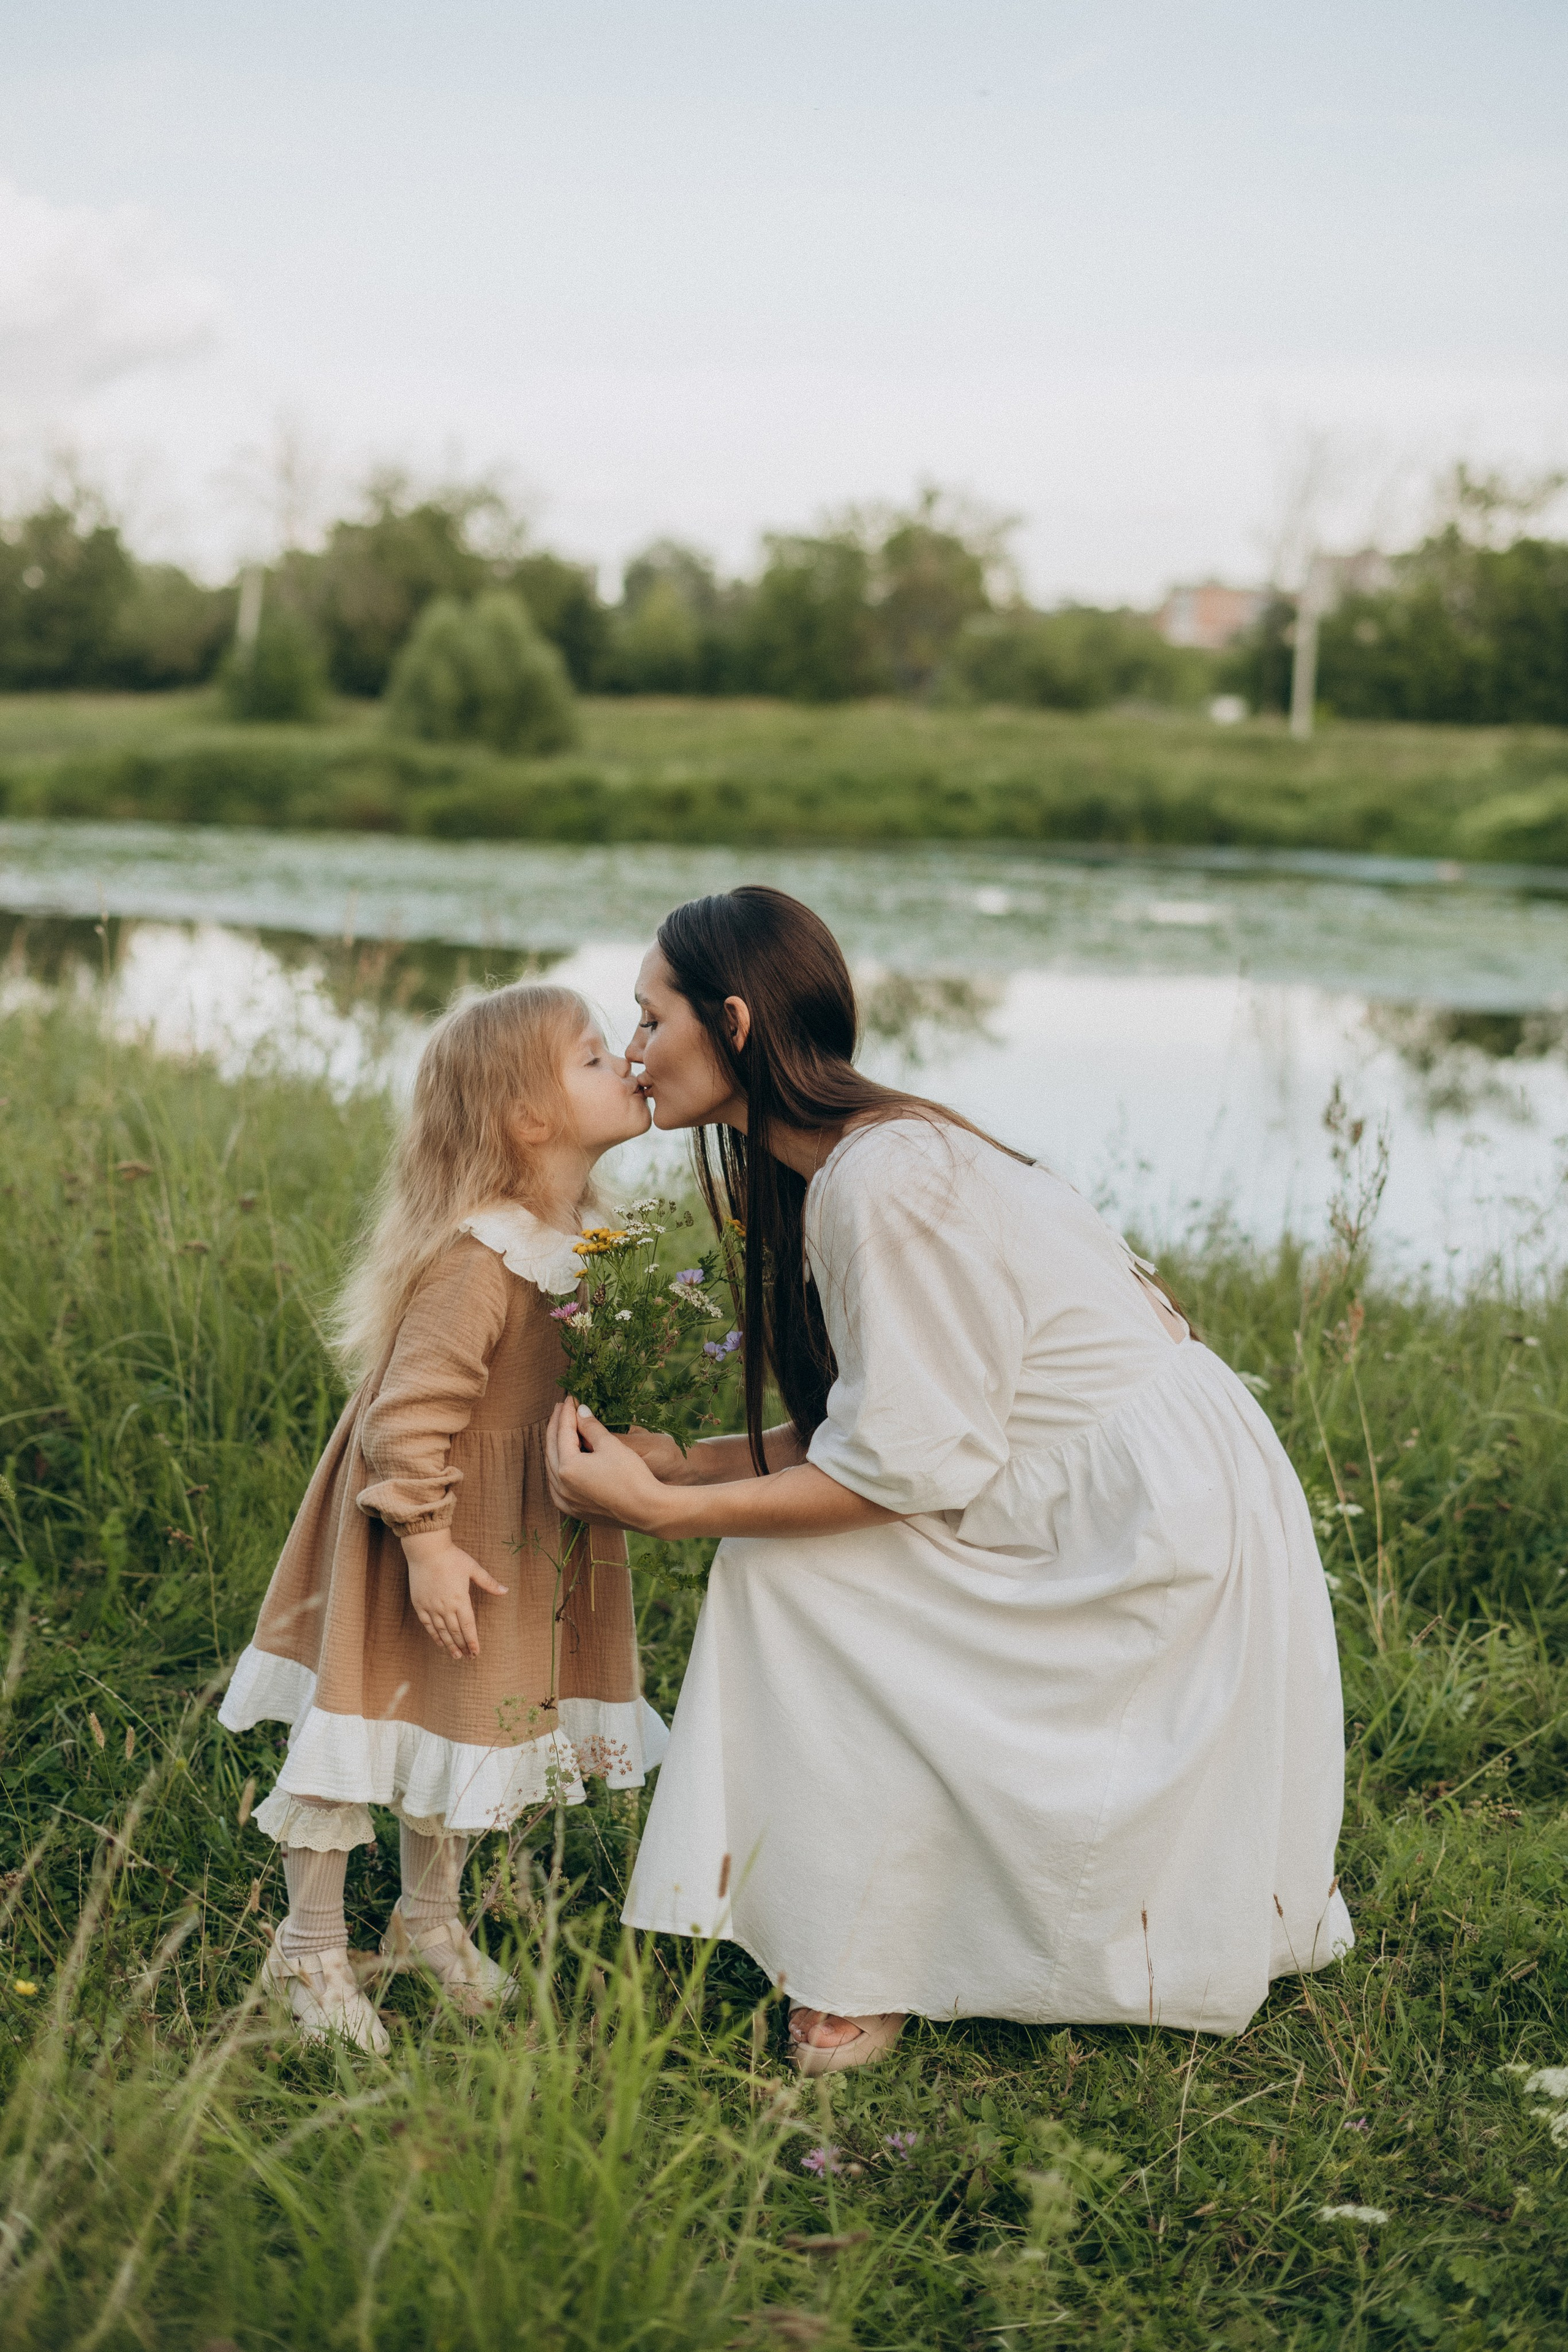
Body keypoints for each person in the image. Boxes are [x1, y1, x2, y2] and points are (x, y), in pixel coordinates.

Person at [546, 886, 1352, 2075]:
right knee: (793, 1555)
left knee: (792, 1576)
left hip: (1151, 1525)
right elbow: (886, 1426)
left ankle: (861, 1956)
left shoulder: (882, 1180)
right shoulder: (856, 1159)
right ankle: (873, 1923)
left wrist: (666, 1510)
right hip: (1088, 1483)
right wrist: (690, 1461)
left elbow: (903, 1467)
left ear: (731, 1023)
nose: (631, 1052)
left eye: (648, 1020)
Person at [221, 982, 666, 2054]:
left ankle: (427, 1922)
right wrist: (424, 1545)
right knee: (366, 1723)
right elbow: (407, 1417)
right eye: (598, 1058)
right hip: (426, 1526)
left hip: (513, 1530)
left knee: (472, 1714)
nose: (630, 1066)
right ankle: (309, 1947)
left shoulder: (581, 1243)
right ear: (530, 1120)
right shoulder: (482, 1258)